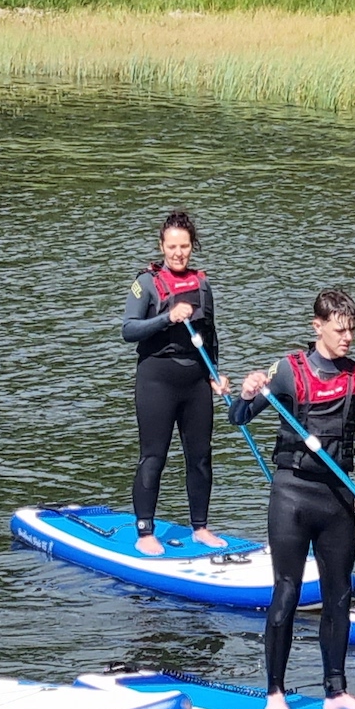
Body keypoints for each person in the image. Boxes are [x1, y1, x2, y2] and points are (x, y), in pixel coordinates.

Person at [230, 289, 355, 709]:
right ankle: (275, 692)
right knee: (287, 591)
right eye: (340, 330)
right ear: (317, 327)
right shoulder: (287, 371)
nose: (348, 338)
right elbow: (238, 417)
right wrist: (245, 393)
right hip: (292, 497)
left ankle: (336, 692)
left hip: (337, 502)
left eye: (352, 330)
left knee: (338, 597)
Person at [121, 210, 230, 557]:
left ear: (192, 246)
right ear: (162, 246)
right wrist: (167, 317)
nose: (178, 253)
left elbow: (210, 334)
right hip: (157, 379)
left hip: (196, 381)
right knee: (154, 456)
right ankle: (145, 530)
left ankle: (200, 527)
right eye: (172, 247)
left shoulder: (202, 284)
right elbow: (128, 329)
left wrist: (216, 374)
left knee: (200, 457)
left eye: (184, 247)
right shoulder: (146, 283)